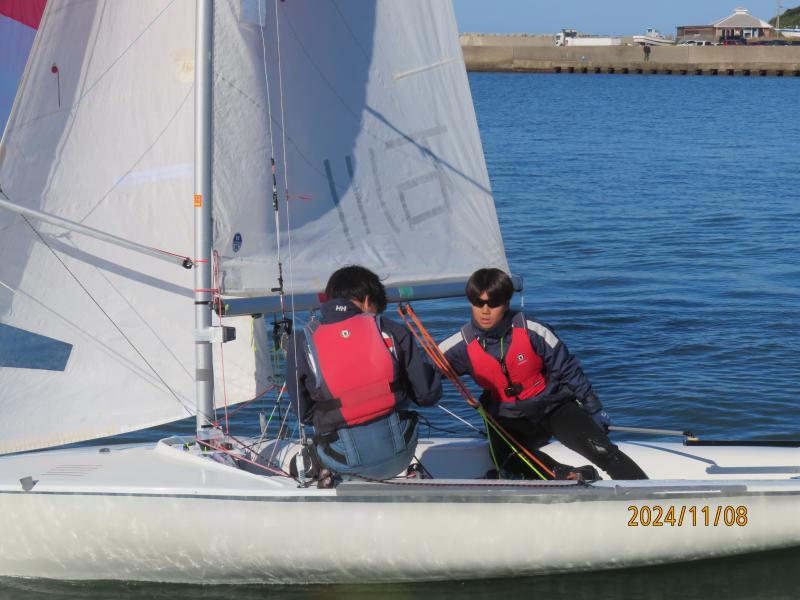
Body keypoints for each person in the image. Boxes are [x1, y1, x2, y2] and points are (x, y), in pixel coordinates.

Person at [439, 268, 647, 480]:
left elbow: (568, 368)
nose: (485, 311)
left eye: (493, 304)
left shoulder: (533, 330)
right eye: (478, 303)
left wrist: (594, 408)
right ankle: (570, 474)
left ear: (506, 303)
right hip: (508, 418)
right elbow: (426, 370)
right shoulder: (460, 345)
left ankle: (646, 490)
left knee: (601, 449)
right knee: (507, 459)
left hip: (553, 407)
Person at [286, 265, 442, 485]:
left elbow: (305, 414)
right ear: (368, 301)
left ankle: (324, 472)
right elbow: (427, 395)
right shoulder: (392, 330)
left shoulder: (301, 344)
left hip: (341, 460)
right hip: (402, 454)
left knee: (311, 450)